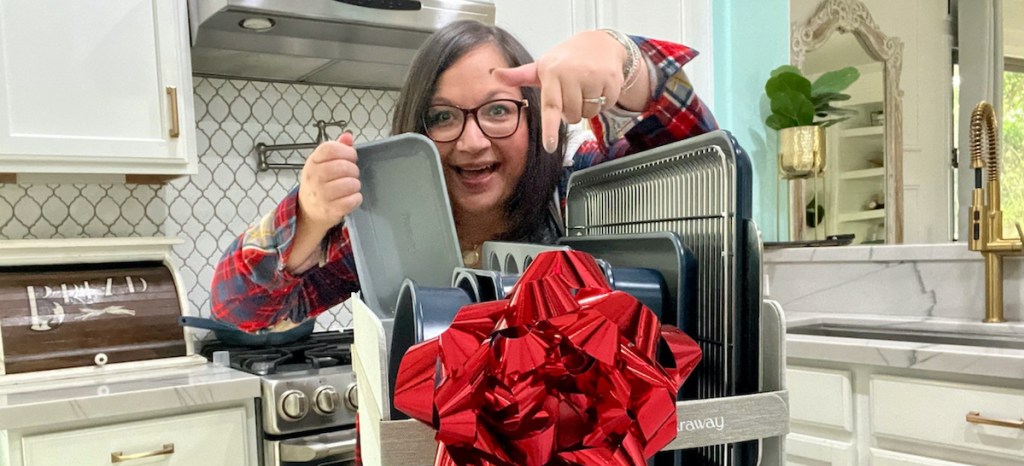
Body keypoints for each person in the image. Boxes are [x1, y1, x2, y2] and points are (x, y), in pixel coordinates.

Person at [209, 20, 717, 334]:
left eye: (498, 111)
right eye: (444, 117)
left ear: (536, 112)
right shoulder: (381, 225)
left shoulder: (579, 193)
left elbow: (694, 161)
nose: (472, 143)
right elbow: (240, 311)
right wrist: (309, 218)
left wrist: (627, 64)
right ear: (418, 127)